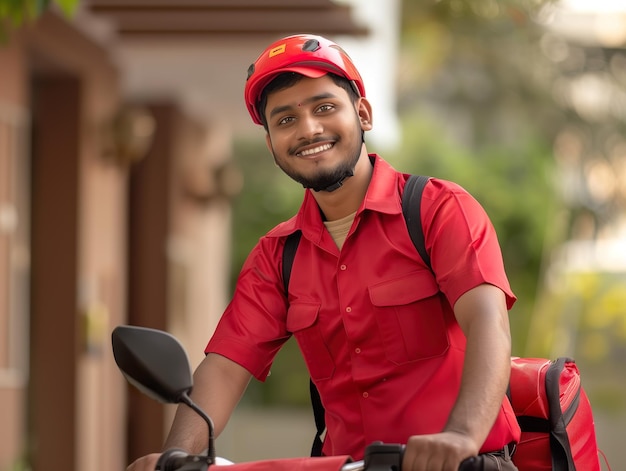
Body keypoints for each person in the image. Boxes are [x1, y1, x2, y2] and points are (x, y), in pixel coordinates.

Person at [128, 34, 521, 471]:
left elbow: (488, 321)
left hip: (463, 464)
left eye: (324, 107)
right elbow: (224, 366)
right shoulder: (277, 256)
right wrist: (174, 457)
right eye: (285, 120)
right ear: (271, 144)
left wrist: (460, 436)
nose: (308, 129)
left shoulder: (437, 210)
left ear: (364, 114)